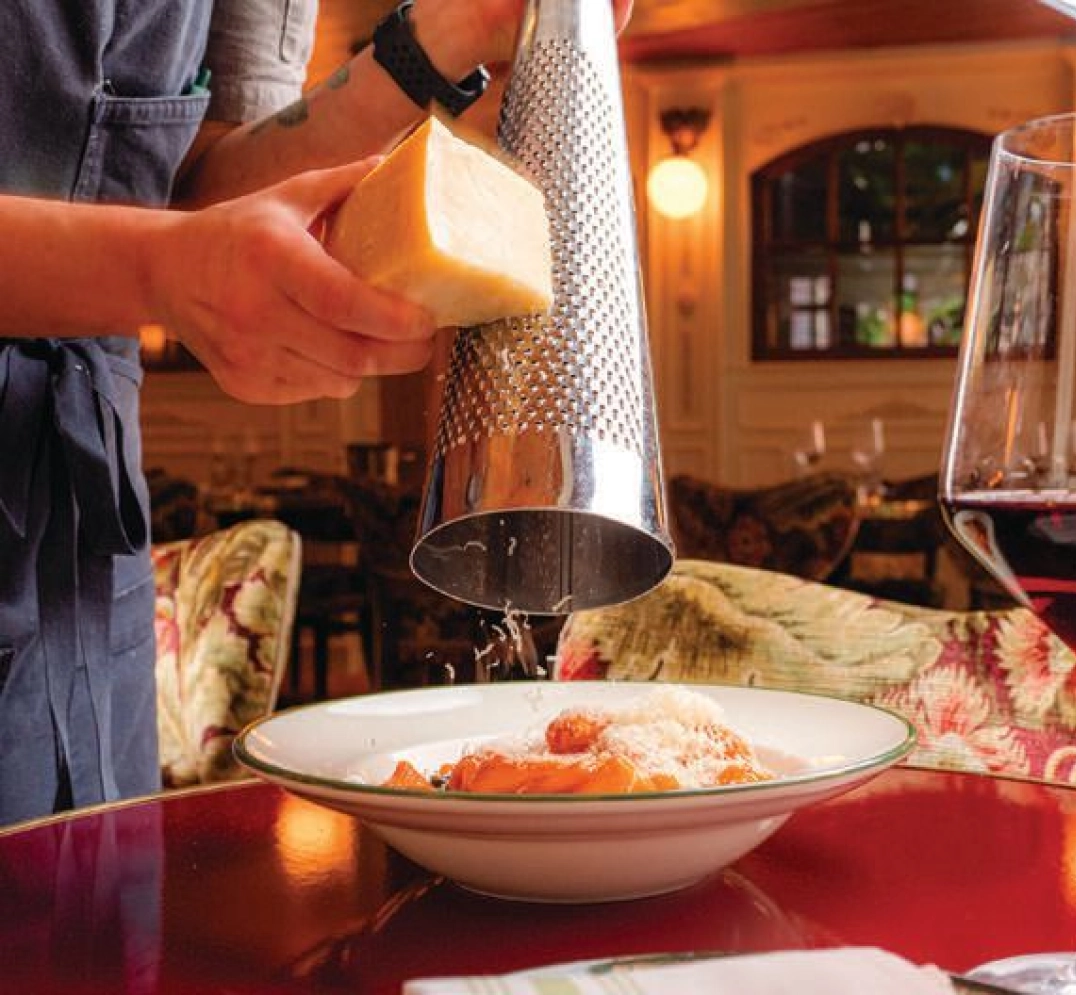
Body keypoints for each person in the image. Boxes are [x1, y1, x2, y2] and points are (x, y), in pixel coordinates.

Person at [0, 0, 632, 825]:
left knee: (91, 915)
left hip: (85, 538)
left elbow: (188, 189)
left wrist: (442, 38)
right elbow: (161, 243)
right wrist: (159, 272)